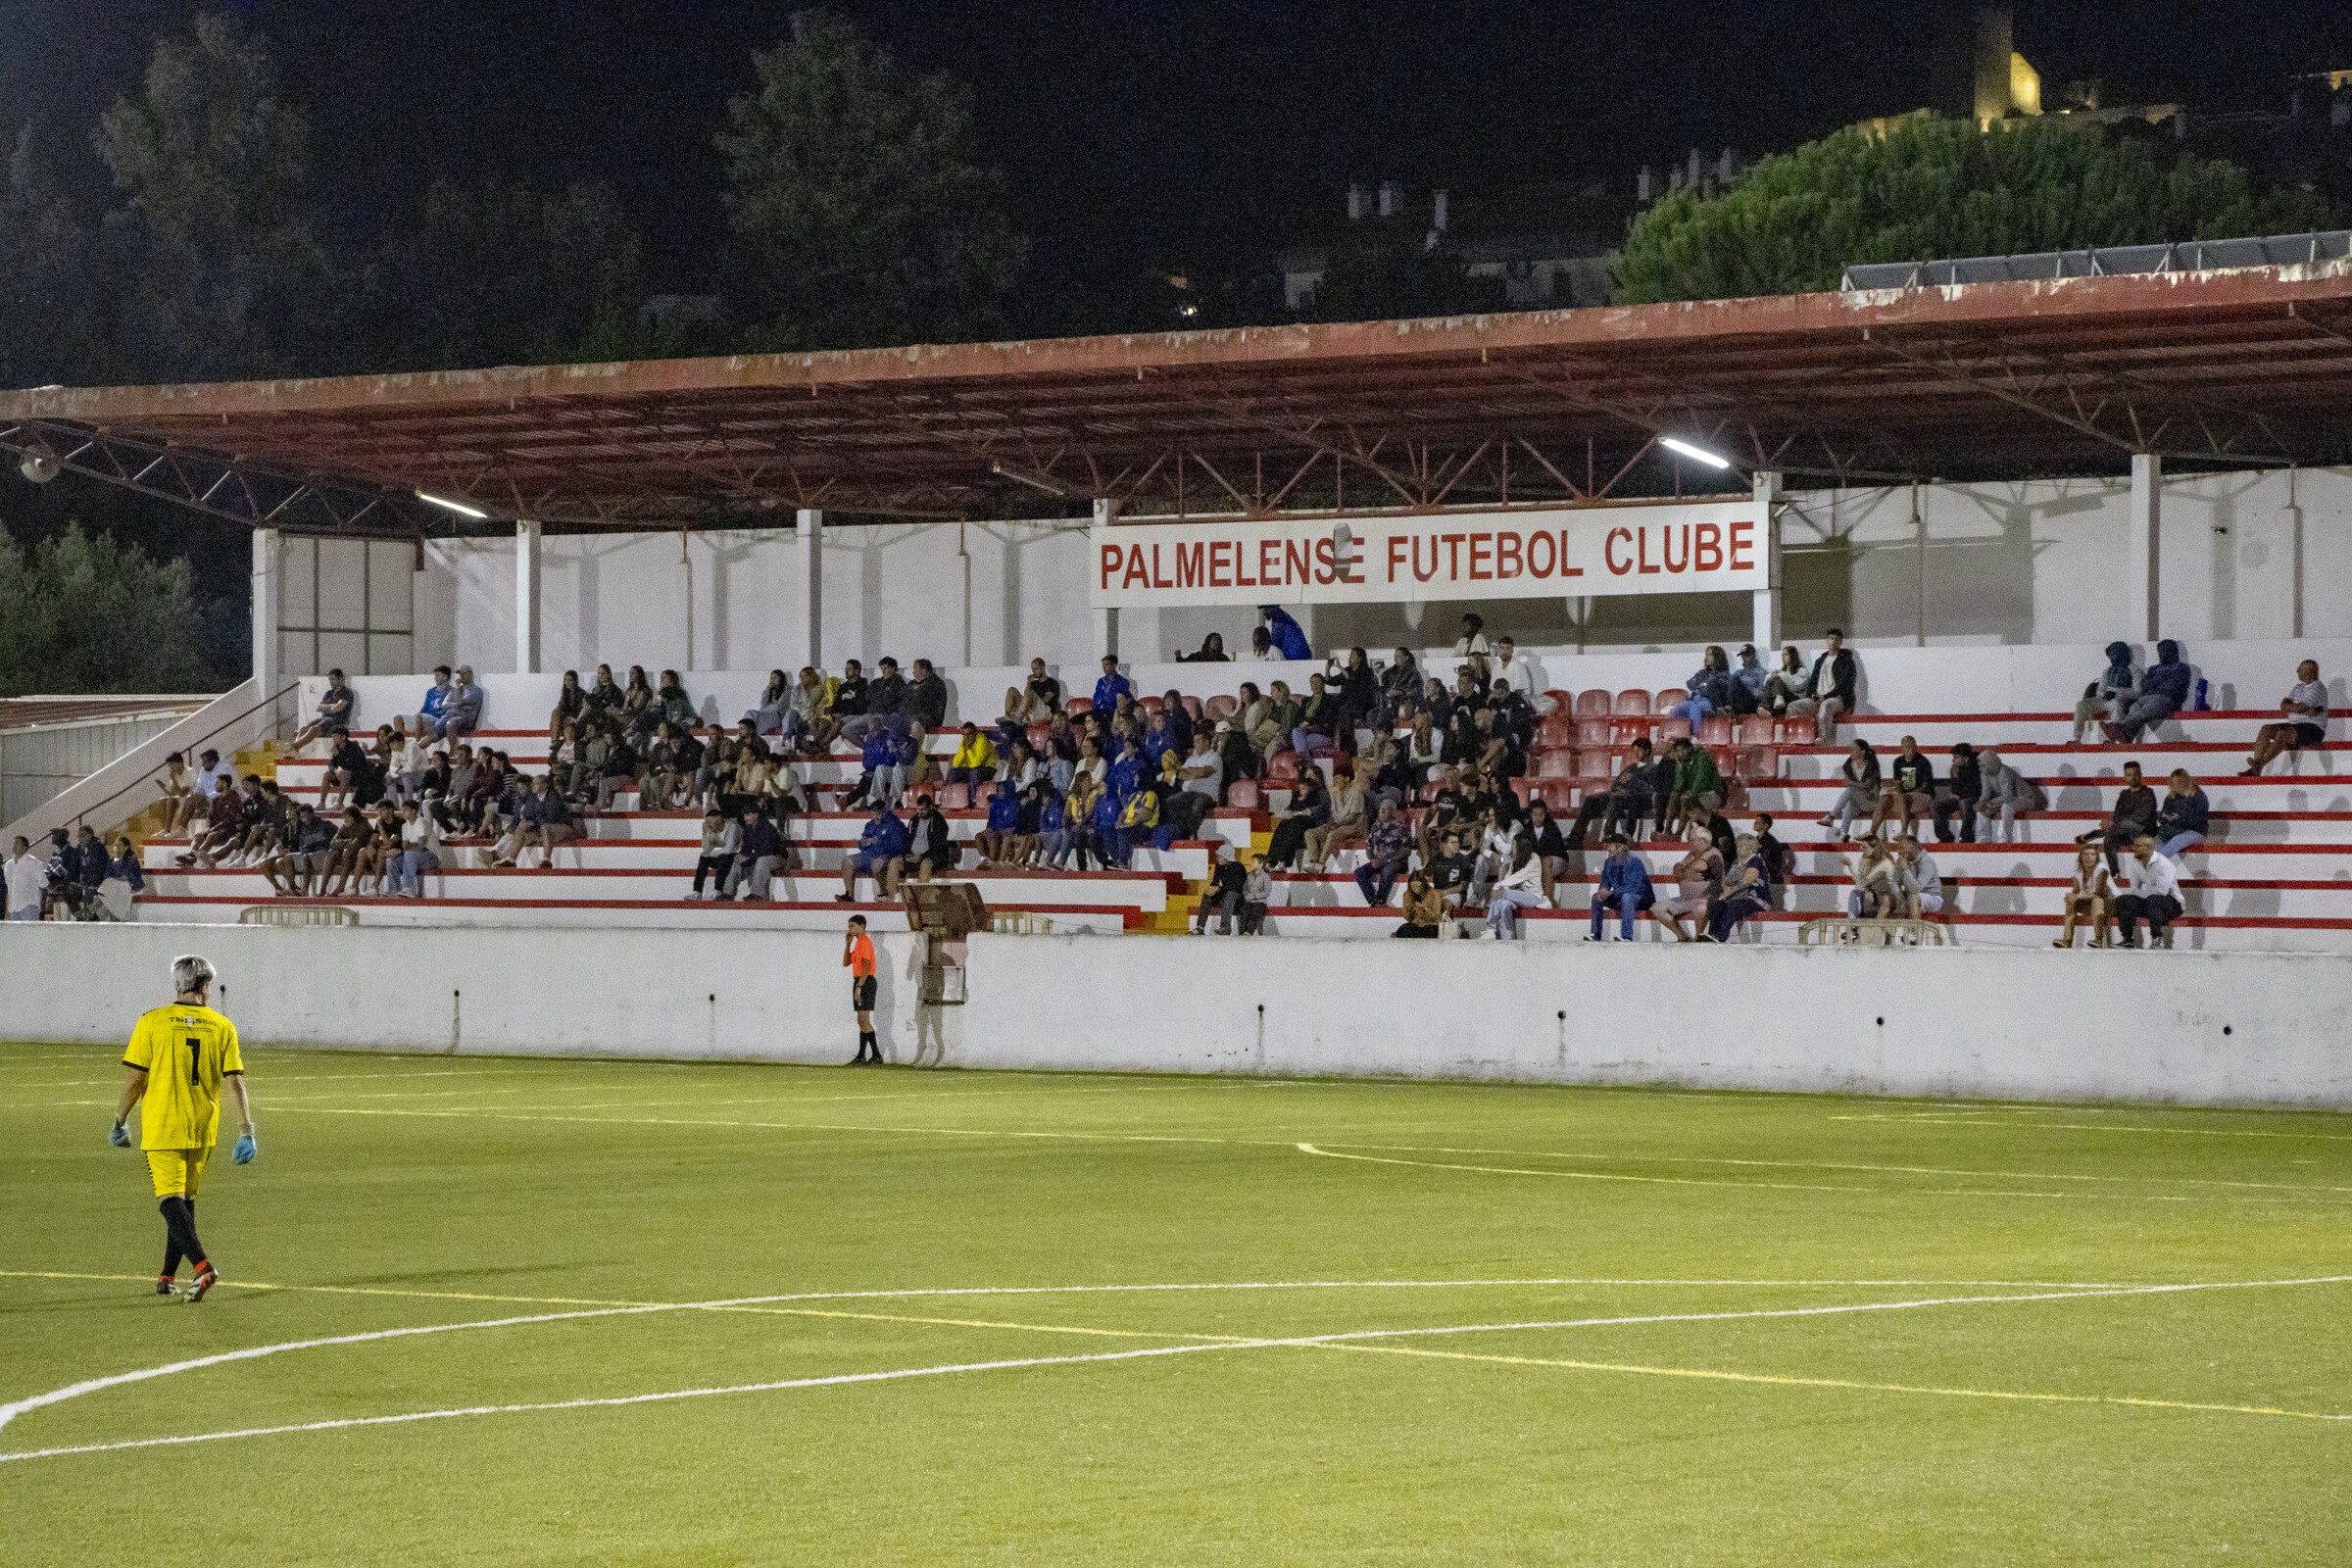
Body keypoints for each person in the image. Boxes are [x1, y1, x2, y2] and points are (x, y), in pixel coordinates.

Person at [111, 955, 256, 1301]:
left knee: (169, 1201)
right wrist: (246, 1130)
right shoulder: (222, 1026)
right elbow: (235, 1081)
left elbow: (136, 1080)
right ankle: (166, 1276)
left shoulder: (152, 1021)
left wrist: (120, 1120)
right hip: (202, 1127)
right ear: (204, 986)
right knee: (184, 1203)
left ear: (179, 985)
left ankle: (203, 1266)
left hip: (164, 1124)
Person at [2243, 660, 2329, 775]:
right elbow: (2283, 704)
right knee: (2266, 729)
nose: (2297, 670)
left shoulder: (2317, 688)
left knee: (2283, 734)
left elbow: (2299, 707)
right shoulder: (2298, 687)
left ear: (2309, 672)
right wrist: (2302, 709)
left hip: (2312, 729)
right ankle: (2257, 764)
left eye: (2300, 668)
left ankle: (2258, 766)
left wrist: (2296, 708)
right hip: (2294, 726)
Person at [2113, 834, 2184, 949]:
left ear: (2148, 848)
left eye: (2137, 846)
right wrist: (2144, 896)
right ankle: (2127, 939)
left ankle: (2156, 938)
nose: (2133, 848)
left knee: (2154, 899)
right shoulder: (2136, 862)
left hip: (2173, 905)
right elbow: (2133, 889)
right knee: (2124, 900)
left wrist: (2144, 895)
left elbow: (2161, 892)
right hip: (2151, 902)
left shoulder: (2164, 864)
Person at [1786, 629, 1857, 743]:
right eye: (1831, 638)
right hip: (1818, 698)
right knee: (1793, 706)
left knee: (1826, 705)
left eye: (1837, 639)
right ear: (1827, 640)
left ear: (1841, 642)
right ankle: (1794, 737)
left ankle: (1823, 739)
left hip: (1837, 698)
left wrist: (1826, 696)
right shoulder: (1820, 661)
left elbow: (1845, 684)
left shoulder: (1847, 661)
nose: (1833, 641)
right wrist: (1811, 696)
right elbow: (1813, 681)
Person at [1656, 823, 1725, 942]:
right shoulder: (1692, 854)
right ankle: (1683, 937)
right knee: (1658, 908)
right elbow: (1676, 870)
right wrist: (1685, 873)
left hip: (1705, 898)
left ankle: (1699, 938)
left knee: (1701, 908)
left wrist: (1683, 871)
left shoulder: (1713, 853)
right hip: (1686, 899)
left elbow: (1698, 866)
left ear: (1703, 840)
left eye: (1692, 840)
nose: (1689, 842)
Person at [2112, 639, 2189, 742]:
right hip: (2148, 697)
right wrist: (2162, 678)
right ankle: (2127, 736)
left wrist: (2154, 681)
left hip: (2167, 699)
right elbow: (2144, 685)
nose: (2162, 654)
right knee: (2134, 707)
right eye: (2160, 651)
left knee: (2146, 709)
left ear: (2173, 651)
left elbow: (2173, 686)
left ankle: (2121, 728)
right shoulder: (2153, 668)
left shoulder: (2181, 667)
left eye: (2165, 650)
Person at [1705, 833, 1773, 942]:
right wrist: (1725, 891)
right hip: (1738, 897)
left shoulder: (1756, 861)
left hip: (1757, 899)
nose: (1738, 849)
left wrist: (1730, 892)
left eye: (1741, 846)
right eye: (1738, 846)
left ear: (1750, 849)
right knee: (1718, 905)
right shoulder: (1737, 862)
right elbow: (1728, 881)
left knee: (1731, 907)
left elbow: (1747, 880)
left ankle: (1720, 936)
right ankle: (1711, 935)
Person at [838, 802, 909, 902]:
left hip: (887, 855)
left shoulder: (895, 825)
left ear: (884, 811)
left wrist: (879, 845)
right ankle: (849, 895)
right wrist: (863, 843)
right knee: (847, 861)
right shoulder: (870, 825)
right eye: (873, 814)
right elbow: (862, 845)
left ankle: (885, 892)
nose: (875, 816)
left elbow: (897, 847)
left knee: (877, 863)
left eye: (878, 814)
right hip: (870, 855)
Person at [1587, 834, 1654, 941]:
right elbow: (1605, 881)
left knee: (1627, 896)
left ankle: (1627, 936)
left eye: (1611, 845)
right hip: (1620, 897)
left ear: (1620, 848)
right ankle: (1595, 934)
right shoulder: (1608, 863)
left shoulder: (1635, 863)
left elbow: (1633, 888)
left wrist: (1611, 893)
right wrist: (1603, 891)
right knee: (1596, 897)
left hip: (1641, 899)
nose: (1608, 849)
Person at [2099, 760, 2158, 875]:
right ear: (2125, 777)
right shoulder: (2124, 795)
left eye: (2136, 774)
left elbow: (2140, 818)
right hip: (2127, 833)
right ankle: (2115, 873)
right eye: (2129, 775)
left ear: (2140, 775)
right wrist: (2113, 823)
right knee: (2109, 839)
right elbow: (2117, 816)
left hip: (2144, 832)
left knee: (2128, 823)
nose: (2133, 778)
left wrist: (2113, 824)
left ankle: (2100, 832)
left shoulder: (2147, 793)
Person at [1871, 735, 1936, 837]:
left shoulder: (1923, 762)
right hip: (1905, 796)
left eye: (1913, 747)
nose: (1912, 750)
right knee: (1884, 798)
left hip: (1922, 795)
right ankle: (1872, 833)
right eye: (1908, 747)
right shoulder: (1898, 762)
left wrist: (1906, 793)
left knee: (1903, 798)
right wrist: (1894, 788)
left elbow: (1926, 785)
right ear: (1902, 749)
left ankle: (1904, 832)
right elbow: (1899, 782)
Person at [1354, 799, 1415, 907]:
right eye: (1380, 809)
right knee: (1360, 872)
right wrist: (1372, 859)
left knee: (1387, 869)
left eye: (1385, 810)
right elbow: (1368, 847)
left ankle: (1381, 899)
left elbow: (1406, 851)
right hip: (1378, 861)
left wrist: (1386, 860)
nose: (1381, 812)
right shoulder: (1375, 827)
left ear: (1392, 813)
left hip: (1396, 861)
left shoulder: (1401, 828)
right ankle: (1373, 900)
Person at [2074, 641, 2137, 742]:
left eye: (2114, 654)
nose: (2112, 658)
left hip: (2121, 700)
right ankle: (2077, 739)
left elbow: (2138, 692)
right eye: (2110, 655)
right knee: (2081, 705)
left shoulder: (2134, 670)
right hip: (2105, 699)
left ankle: (2114, 739)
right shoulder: (2107, 670)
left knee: (2117, 704)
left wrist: (2117, 694)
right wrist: (2104, 694)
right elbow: (2100, 690)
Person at [1484, 840, 1548, 939]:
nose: (1511, 849)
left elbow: (1520, 875)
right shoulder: (1515, 860)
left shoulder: (1534, 859)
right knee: (1504, 904)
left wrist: (1497, 886)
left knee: (1502, 894)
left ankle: (1491, 929)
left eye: (1513, 846)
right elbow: (1509, 877)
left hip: (1533, 897)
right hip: (1516, 896)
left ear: (1520, 848)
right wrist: (1500, 888)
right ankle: (1509, 936)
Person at [1976, 747, 2039, 844]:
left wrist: (1990, 803)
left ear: (1990, 763)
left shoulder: (2004, 771)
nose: (1980, 768)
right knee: (1981, 810)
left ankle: (2006, 838)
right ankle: (1983, 838)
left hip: (2025, 799)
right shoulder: (1985, 774)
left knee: (2007, 807)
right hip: (2006, 800)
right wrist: (1981, 803)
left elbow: (2008, 796)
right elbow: (1986, 793)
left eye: (1983, 765)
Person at [1820, 738, 1880, 841]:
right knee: (1849, 804)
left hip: (1871, 799)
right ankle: (1843, 833)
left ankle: (1831, 816)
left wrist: (1852, 783)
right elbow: (1850, 783)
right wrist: (1855, 785)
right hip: (1858, 799)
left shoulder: (1871, 764)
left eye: (1854, 749)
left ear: (1862, 751)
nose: (1851, 751)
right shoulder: (1848, 766)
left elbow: (1868, 784)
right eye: (1850, 749)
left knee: (1851, 790)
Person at [2055, 842, 2112, 949]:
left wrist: (2078, 896)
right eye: (2085, 854)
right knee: (2071, 902)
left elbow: (2099, 893)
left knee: (2097, 901)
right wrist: (2071, 896)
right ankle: (2067, 940)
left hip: (2109, 905)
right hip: (2090, 904)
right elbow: (2076, 892)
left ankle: (2098, 939)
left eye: (2092, 854)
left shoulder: (2102, 869)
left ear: (2097, 857)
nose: (2089, 857)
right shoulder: (2078, 872)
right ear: (2081, 857)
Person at [845, 916, 882, 1064]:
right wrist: (847, 944)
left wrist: (860, 986)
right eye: (849, 926)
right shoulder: (858, 944)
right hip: (860, 980)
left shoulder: (865, 942)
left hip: (865, 981)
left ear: (862, 926)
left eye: (852, 926)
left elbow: (866, 964)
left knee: (863, 1020)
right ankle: (861, 1056)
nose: (850, 929)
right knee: (861, 1020)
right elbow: (846, 962)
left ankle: (876, 1055)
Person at [1846, 835, 1905, 927]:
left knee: (1863, 895)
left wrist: (1850, 866)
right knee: (1854, 894)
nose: (1861, 848)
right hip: (1875, 897)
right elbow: (1863, 884)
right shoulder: (1866, 861)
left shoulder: (1885, 864)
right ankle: (1853, 928)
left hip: (1888, 900)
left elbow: (1863, 882)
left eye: (1864, 847)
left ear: (1874, 849)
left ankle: (1860, 927)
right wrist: (1867, 890)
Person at [730, 808, 785, 901]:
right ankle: (727, 894)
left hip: (777, 857)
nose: (745, 818)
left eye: (748, 815)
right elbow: (746, 848)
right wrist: (741, 856)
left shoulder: (768, 828)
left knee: (761, 861)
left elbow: (767, 850)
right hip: (760, 857)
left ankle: (758, 894)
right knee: (734, 860)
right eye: (744, 815)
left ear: (756, 814)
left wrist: (749, 858)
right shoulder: (748, 829)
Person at [2155, 768, 2210, 860]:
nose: (2176, 786)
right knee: (2156, 841)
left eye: (2179, 782)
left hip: (2196, 831)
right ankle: (2157, 866)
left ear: (2186, 782)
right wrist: (2166, 817)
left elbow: (2199, 819)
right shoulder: (2171, 797)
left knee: (2176, 841)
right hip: (2174, 830)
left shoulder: (2198, 796)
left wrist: (2179, 817)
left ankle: (2155, 865)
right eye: (2174, 783)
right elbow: (2164, 816)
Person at [1933, 742, 1982, 844]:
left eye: (1956, 757)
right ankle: (1945, 836)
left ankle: (1967, 837)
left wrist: (1959, 795)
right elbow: (1955, 791)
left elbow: (1976, 790)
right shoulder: (1956, 768)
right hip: (1961, 797)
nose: (1953, 760)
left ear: (1966, 758)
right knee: (1938, 805)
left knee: (1965, 803)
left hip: (1976, 798)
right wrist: (1955, 777)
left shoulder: (1978, 767)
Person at [294, 669, 357, 748]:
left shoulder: (347, 692)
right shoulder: (328, 693)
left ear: (340, 679)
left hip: (339, 721)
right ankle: (295, 748)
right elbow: (318, 708)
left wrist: (327, 707)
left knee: (315, 729)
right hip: (325, 718)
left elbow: (338, 708)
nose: (331, 682)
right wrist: (333, 706)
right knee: (303, 729)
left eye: (333, 679)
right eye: (329, 680)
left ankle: (295, 747)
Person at [689, 808, 738, 900]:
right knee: (703, 859)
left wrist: (711, 854)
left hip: (734, 857)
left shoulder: (732, 827)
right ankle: (697, 891)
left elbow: (729, 849)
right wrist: (705, 834)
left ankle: (718, 890)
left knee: (724, 857)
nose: (707, 825)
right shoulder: (713, 830)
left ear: (719, 819)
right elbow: (706, 850)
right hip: (723, 858)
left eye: (709, 822)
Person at [1895, 834, 1942, 918]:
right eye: (1898, 848)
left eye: (1902, 848)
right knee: (1888, 897)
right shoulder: (1902, 860)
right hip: (1911, 894)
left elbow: (1916, 888)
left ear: (1912, 845)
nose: (1899, 851)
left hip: (1932, 897)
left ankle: (1914, 927)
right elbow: (1895, 882)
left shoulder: (1927, 861)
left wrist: (1905, 869)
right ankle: (1880, 926)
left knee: (1913, 897)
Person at [401, 665, 454, 740]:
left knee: (419, 717)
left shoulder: (452, 691)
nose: (435, 678)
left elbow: (450, 710)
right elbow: (425, 707)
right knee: (398, 718)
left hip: (438, 719)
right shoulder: (430, 691)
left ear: (445, 677)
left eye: (438, 675)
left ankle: (416, 744)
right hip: (425, 718)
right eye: (435, 675)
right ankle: (400, 743)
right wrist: (417, 715)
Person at [4, 833, 47, 921]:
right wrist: (7, 909)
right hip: (13, 908)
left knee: (29, 930)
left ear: (24, 847)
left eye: (17, 843)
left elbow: (43, 883)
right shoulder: (8, 864)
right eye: (13, 843)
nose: (14, 846)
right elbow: (9, 886)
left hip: (29, 905)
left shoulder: (33, 863)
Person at [1758, 644, 1807, 715]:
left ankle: (1777, 698)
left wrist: (1781, 676)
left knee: (1777, 678)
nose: (1783, 657)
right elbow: (1764, 684)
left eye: (1786, 655)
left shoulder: (1802, 671)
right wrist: (1771, 676)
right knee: (1770, 681)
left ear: (1793, 656)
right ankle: (1767, 708)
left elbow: (1797, 687)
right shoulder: (1781, 671)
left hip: (1795, 698)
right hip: (1783, 700)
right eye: (1782, 655)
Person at [1394, 870, 1445, 938]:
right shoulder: (1407, 894)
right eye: (1413, 887)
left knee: (1429, 931)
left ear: (1423, 885)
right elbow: (1407, 917)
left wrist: (1425, 910)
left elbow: (1436, 918)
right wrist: (1411, 909)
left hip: (1430, 924)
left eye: (1419, 886)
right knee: (1403, 929)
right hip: (1415, 924)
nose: (1416, 889)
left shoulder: (1434, 894)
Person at [947, 721, 998, 788]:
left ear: (975, 733)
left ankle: (975, 794)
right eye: (964, 734)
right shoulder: (964, 742)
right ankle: (953, 793)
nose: (967, 737)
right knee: (953, 772)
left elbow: (977, 763)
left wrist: (968, 749)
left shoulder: (982, 740)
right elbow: (956, 764)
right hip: (970, 769)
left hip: (987, 769)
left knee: (974, 771)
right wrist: (963, 751)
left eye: (969, 734)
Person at [1237, 854, 1272, 935]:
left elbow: (1267, 892)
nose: (1250, 863)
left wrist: (1254, 896)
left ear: (1261, 864)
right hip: (1248, 902)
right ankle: (1242, 932)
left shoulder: (1265, 877)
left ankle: (1249, 932)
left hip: (1260, 902)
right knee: (1244, 913)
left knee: (1256, 912)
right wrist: (1246, 895)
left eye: (1253, 862)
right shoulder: (1248, 875)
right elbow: (1244, 888)